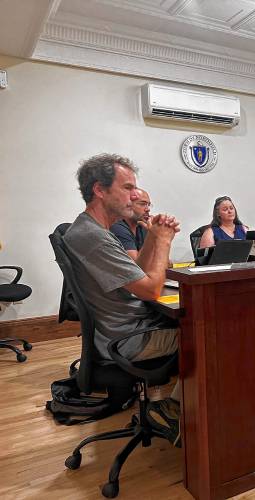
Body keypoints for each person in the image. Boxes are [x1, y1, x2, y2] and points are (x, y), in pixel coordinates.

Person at [63, 153, 182, 445]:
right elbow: (152, 289)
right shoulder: (94, 236)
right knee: (212, 333)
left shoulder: (92, 229)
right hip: (130, 338)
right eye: (127, 187)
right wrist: (165, 240)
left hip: (118, 330)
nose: (134, 195)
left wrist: (152, 236)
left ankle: (173, 404)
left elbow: (137, 274)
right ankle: (172, 409)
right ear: (99, 190)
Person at [109, 187, 151, 260]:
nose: (148, 209)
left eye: (148, 204)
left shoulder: (142, 226)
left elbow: (165, 263)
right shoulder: (117, 227)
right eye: (142, 204)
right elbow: (137, 265)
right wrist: (156, 236)